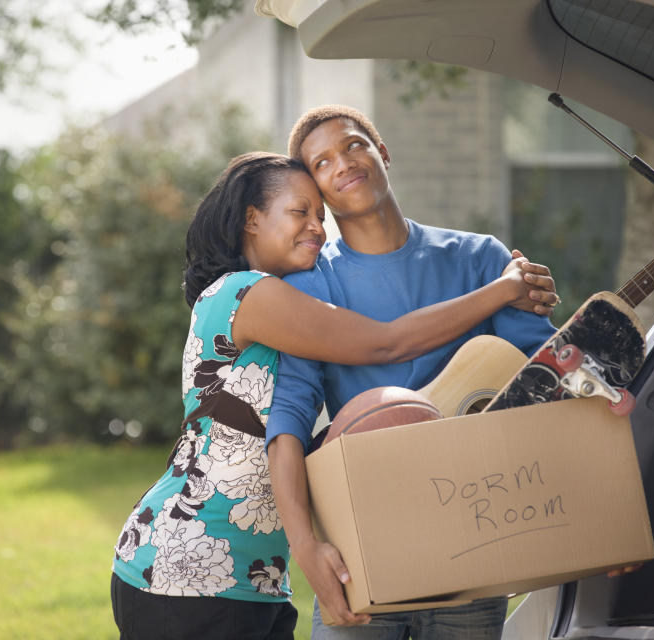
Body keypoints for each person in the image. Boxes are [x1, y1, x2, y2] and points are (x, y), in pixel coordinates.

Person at [110, 151, 557, 640]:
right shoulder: (248, 293)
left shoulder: (277, 293)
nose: (317, 228)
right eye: (300, 212)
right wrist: (503, 288)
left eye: (320, 216)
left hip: (252, 577)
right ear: (252, 220)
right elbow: (387, 341)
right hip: (184, 569)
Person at [265, 105, 560, 639]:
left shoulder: (480, 257)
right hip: (365, 556)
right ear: (320, 192)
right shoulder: (311, 286)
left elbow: (545, 383)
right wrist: (305, 547)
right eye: (322, 161)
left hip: (476, 550)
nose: (343, 163)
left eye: (354, 144)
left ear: (383, 153)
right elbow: (288, 414)